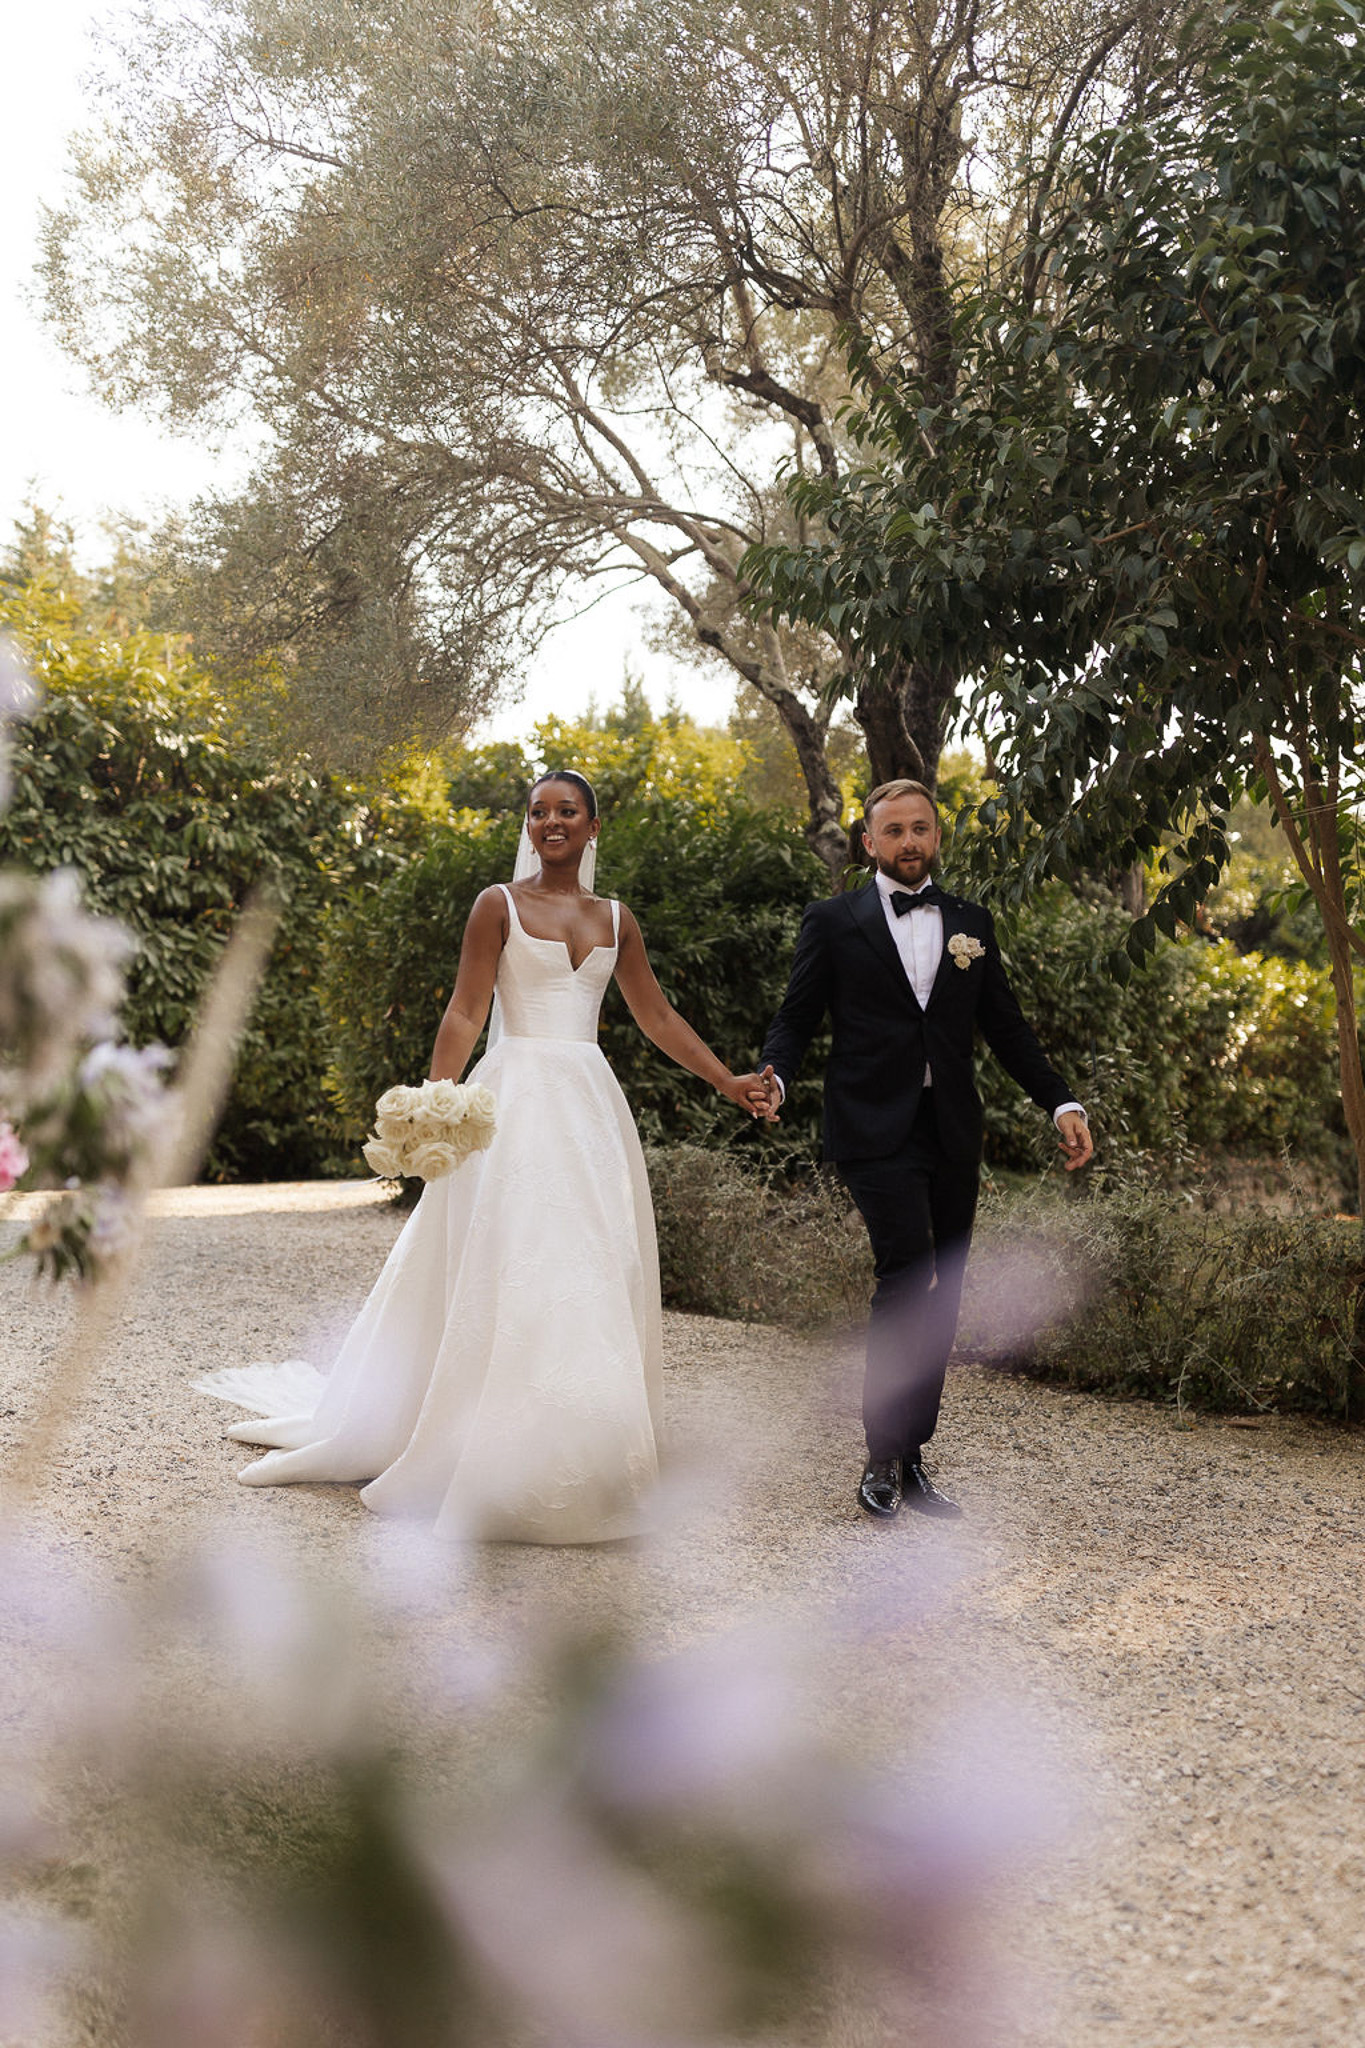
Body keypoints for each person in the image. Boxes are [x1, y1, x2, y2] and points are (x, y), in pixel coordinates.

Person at [197, 770, 770, 1544]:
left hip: (588, 1110)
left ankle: (586, 1456)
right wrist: (434, 1103)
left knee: (591, 1269)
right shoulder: (497, 904)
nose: (551, 821)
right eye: (539, 812)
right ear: (528, 826)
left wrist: (727, 1080)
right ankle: (469, 1445)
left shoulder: (618, 919)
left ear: (593, 828)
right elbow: (468, 1008)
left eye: (567, 811)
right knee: (507, 1261)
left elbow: (654, 1014)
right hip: (510, 1105)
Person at [757, 778, 1093, 1522]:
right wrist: (774, 1078)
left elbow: (1007, 1028)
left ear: (934, 836)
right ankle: (879, 1452)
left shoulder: (972, 923)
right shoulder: (833, 921)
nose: (908, 841)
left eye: (920, 828)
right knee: (906, 1276)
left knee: (943, 1289)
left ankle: (911, 1456)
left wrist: (1060, 1102)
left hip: (950, 1131)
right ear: (868, 842)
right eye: (893, 831)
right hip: (872, 1129)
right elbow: (795, 1017)